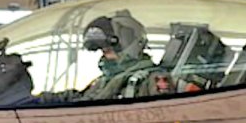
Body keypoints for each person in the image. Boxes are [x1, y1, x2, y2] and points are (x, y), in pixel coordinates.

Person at [43, 9, 173, 103]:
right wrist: (41, 100)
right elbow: (80, 98)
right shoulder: (106, 81)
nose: (104, 57)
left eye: (107, 51)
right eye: (103, 51)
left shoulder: (149, 81)